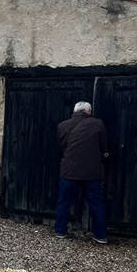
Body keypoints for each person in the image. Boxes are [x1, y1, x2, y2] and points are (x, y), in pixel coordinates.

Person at [55, 101, 109, 243]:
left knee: (64, 202)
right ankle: (101, 235)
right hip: (91, 171)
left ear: (74, 111)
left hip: (69, 170)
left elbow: (62, 147)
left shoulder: (62, 126)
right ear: (89, 112)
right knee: (96, 203)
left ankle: (60, 231)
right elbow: (103, 147)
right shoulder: (98, 124)